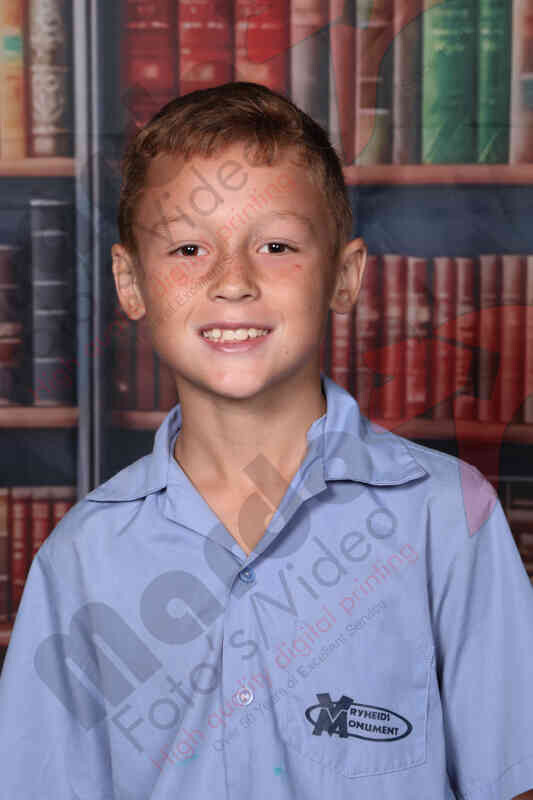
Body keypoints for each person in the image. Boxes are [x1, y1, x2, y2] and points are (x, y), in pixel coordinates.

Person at [0, 82, 532, 800]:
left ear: (344, 276)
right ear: (131, 283)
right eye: (188, 248)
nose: (233, 282)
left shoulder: (448, 515)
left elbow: (512, 776)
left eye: (276, 246)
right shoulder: (81, 557)